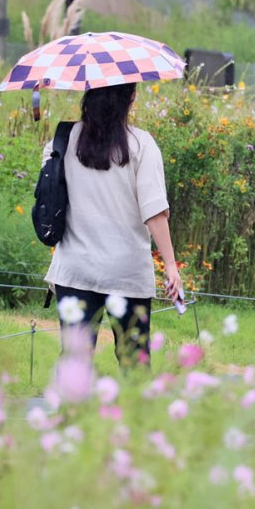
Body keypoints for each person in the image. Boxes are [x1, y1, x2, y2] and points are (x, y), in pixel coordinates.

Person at [43, 82, 182, 367]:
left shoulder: (62, 140)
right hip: (127, 272)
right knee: (134, 362)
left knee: (75, 361)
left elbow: (50, 196)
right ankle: (134, 413)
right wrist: (170, 266)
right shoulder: (141, 144)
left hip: (74, 269)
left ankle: (71, 413)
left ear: (88, 96)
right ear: (129, 99)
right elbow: (154, 211)